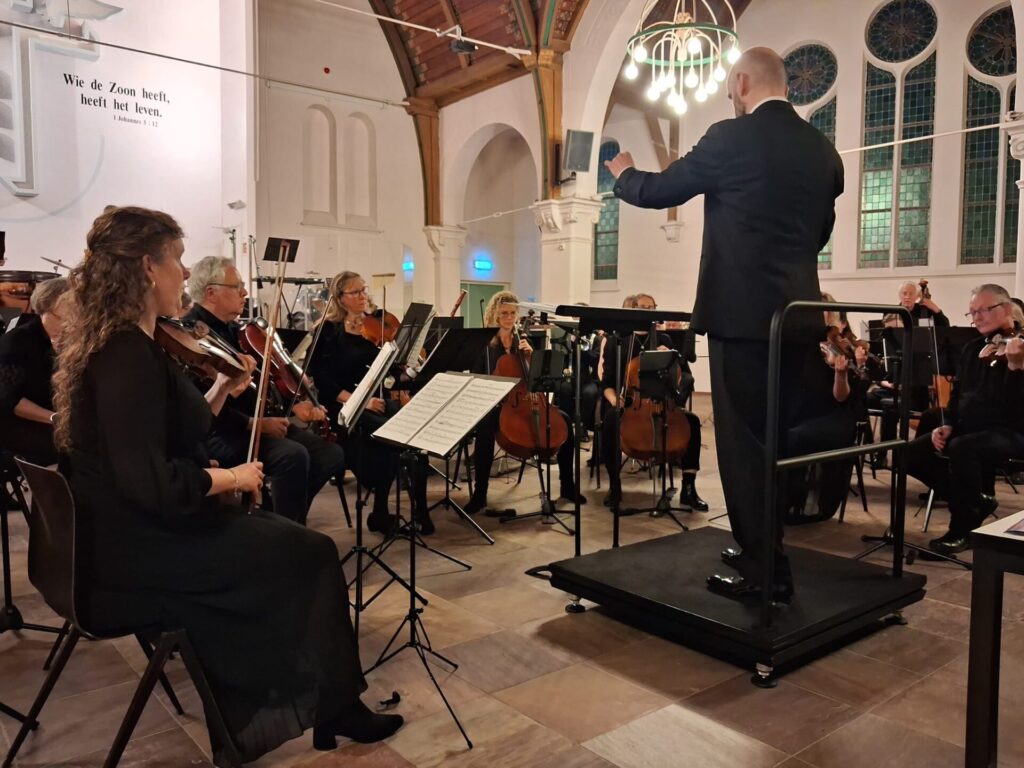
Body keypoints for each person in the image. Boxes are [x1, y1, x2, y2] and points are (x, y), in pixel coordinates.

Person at [52, 206, 401, 764]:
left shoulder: (126, 343)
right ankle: (324, 703)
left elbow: (164, 435)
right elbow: (150, 483)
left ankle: (317, 696)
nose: (185, 274)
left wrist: (218, 396)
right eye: (178, 260)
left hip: (135, 532)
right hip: (140, 550)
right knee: (311, 553)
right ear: (147, 268)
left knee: (294, 546)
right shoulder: (125, 355)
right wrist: (229, 476)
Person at [605, 47, 843, 602]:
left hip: (742, 319)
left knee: (743, 448)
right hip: (799, 319)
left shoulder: (729, 137)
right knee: (775, 441)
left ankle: (765, 573)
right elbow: (819, 233)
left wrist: (623, 174)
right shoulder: (822, 149)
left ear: (740, 82)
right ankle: (767, 547)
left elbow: (660, 190)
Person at [183, 256, 345, 526]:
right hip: (222, 432)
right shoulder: (193, 336)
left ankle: (283, 519)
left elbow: (264, 381)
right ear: (211, 292)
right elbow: (202, 406)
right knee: (292, 456)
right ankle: (283, 528)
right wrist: (253, 423)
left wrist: (292, 405)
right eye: (237, 287)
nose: (245, 293)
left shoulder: (236, 330)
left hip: (257, 424)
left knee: (330, 454)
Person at [305, 270, 431, 535]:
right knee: (387, 436)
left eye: (363, 290)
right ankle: (380, 512)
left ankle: (420, 510)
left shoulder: (374, 327)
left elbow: (388, 373)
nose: (363, 296)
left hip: (375, 401)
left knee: (416, 432)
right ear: (340, 298)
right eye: (355, 292)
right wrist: (361, 401)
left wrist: (411, 371)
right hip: (342, 406)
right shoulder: (327, 331)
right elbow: (322, 381)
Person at [905, 284, 1024, 556]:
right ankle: (976, 501)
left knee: (963, 447)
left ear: (1007, 308)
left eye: (984, 310)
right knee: (908, 455)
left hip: (1013, 430)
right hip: (974, 428)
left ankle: (961, 529)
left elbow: (1014, 408)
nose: (977, 317)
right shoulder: (973, 348)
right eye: (972, 312)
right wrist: (949, 423)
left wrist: (1016, 368)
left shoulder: (1020, 347)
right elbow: (959, 394)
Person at [464, 290, 585, 514]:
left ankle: (568, 485)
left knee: (565, 422)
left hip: (527, 400)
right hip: (498, 402)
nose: (509, 318)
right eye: (504, 313)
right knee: (485, 430)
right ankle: (480, 494)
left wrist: (533, 356)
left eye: (513, 313)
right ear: (494, 315)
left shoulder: (523, 341)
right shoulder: (486, 345)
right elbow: (476, 377)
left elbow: (538, 378)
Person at [598, 293, 706, 512]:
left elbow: (684, 376)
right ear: (633, 310)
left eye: (652, 308)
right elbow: (607, 383)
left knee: (693, 422)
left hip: (664, 403)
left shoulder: (664, 340)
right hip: (631, 405)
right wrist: (614, 399)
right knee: (610, 421)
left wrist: (670, 360)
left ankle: (688, 488)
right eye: (643, 307)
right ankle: (615, 485)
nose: (648, 312)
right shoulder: (618, 342)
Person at [0, 277, 69, 465]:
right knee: (67, 447)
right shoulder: (17, 342)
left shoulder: (64, 339)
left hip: (48, 417)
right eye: (61, 318)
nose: (67, 324)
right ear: (44, 309)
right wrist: (54, 418)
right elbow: (9, 400)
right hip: (15, 424)